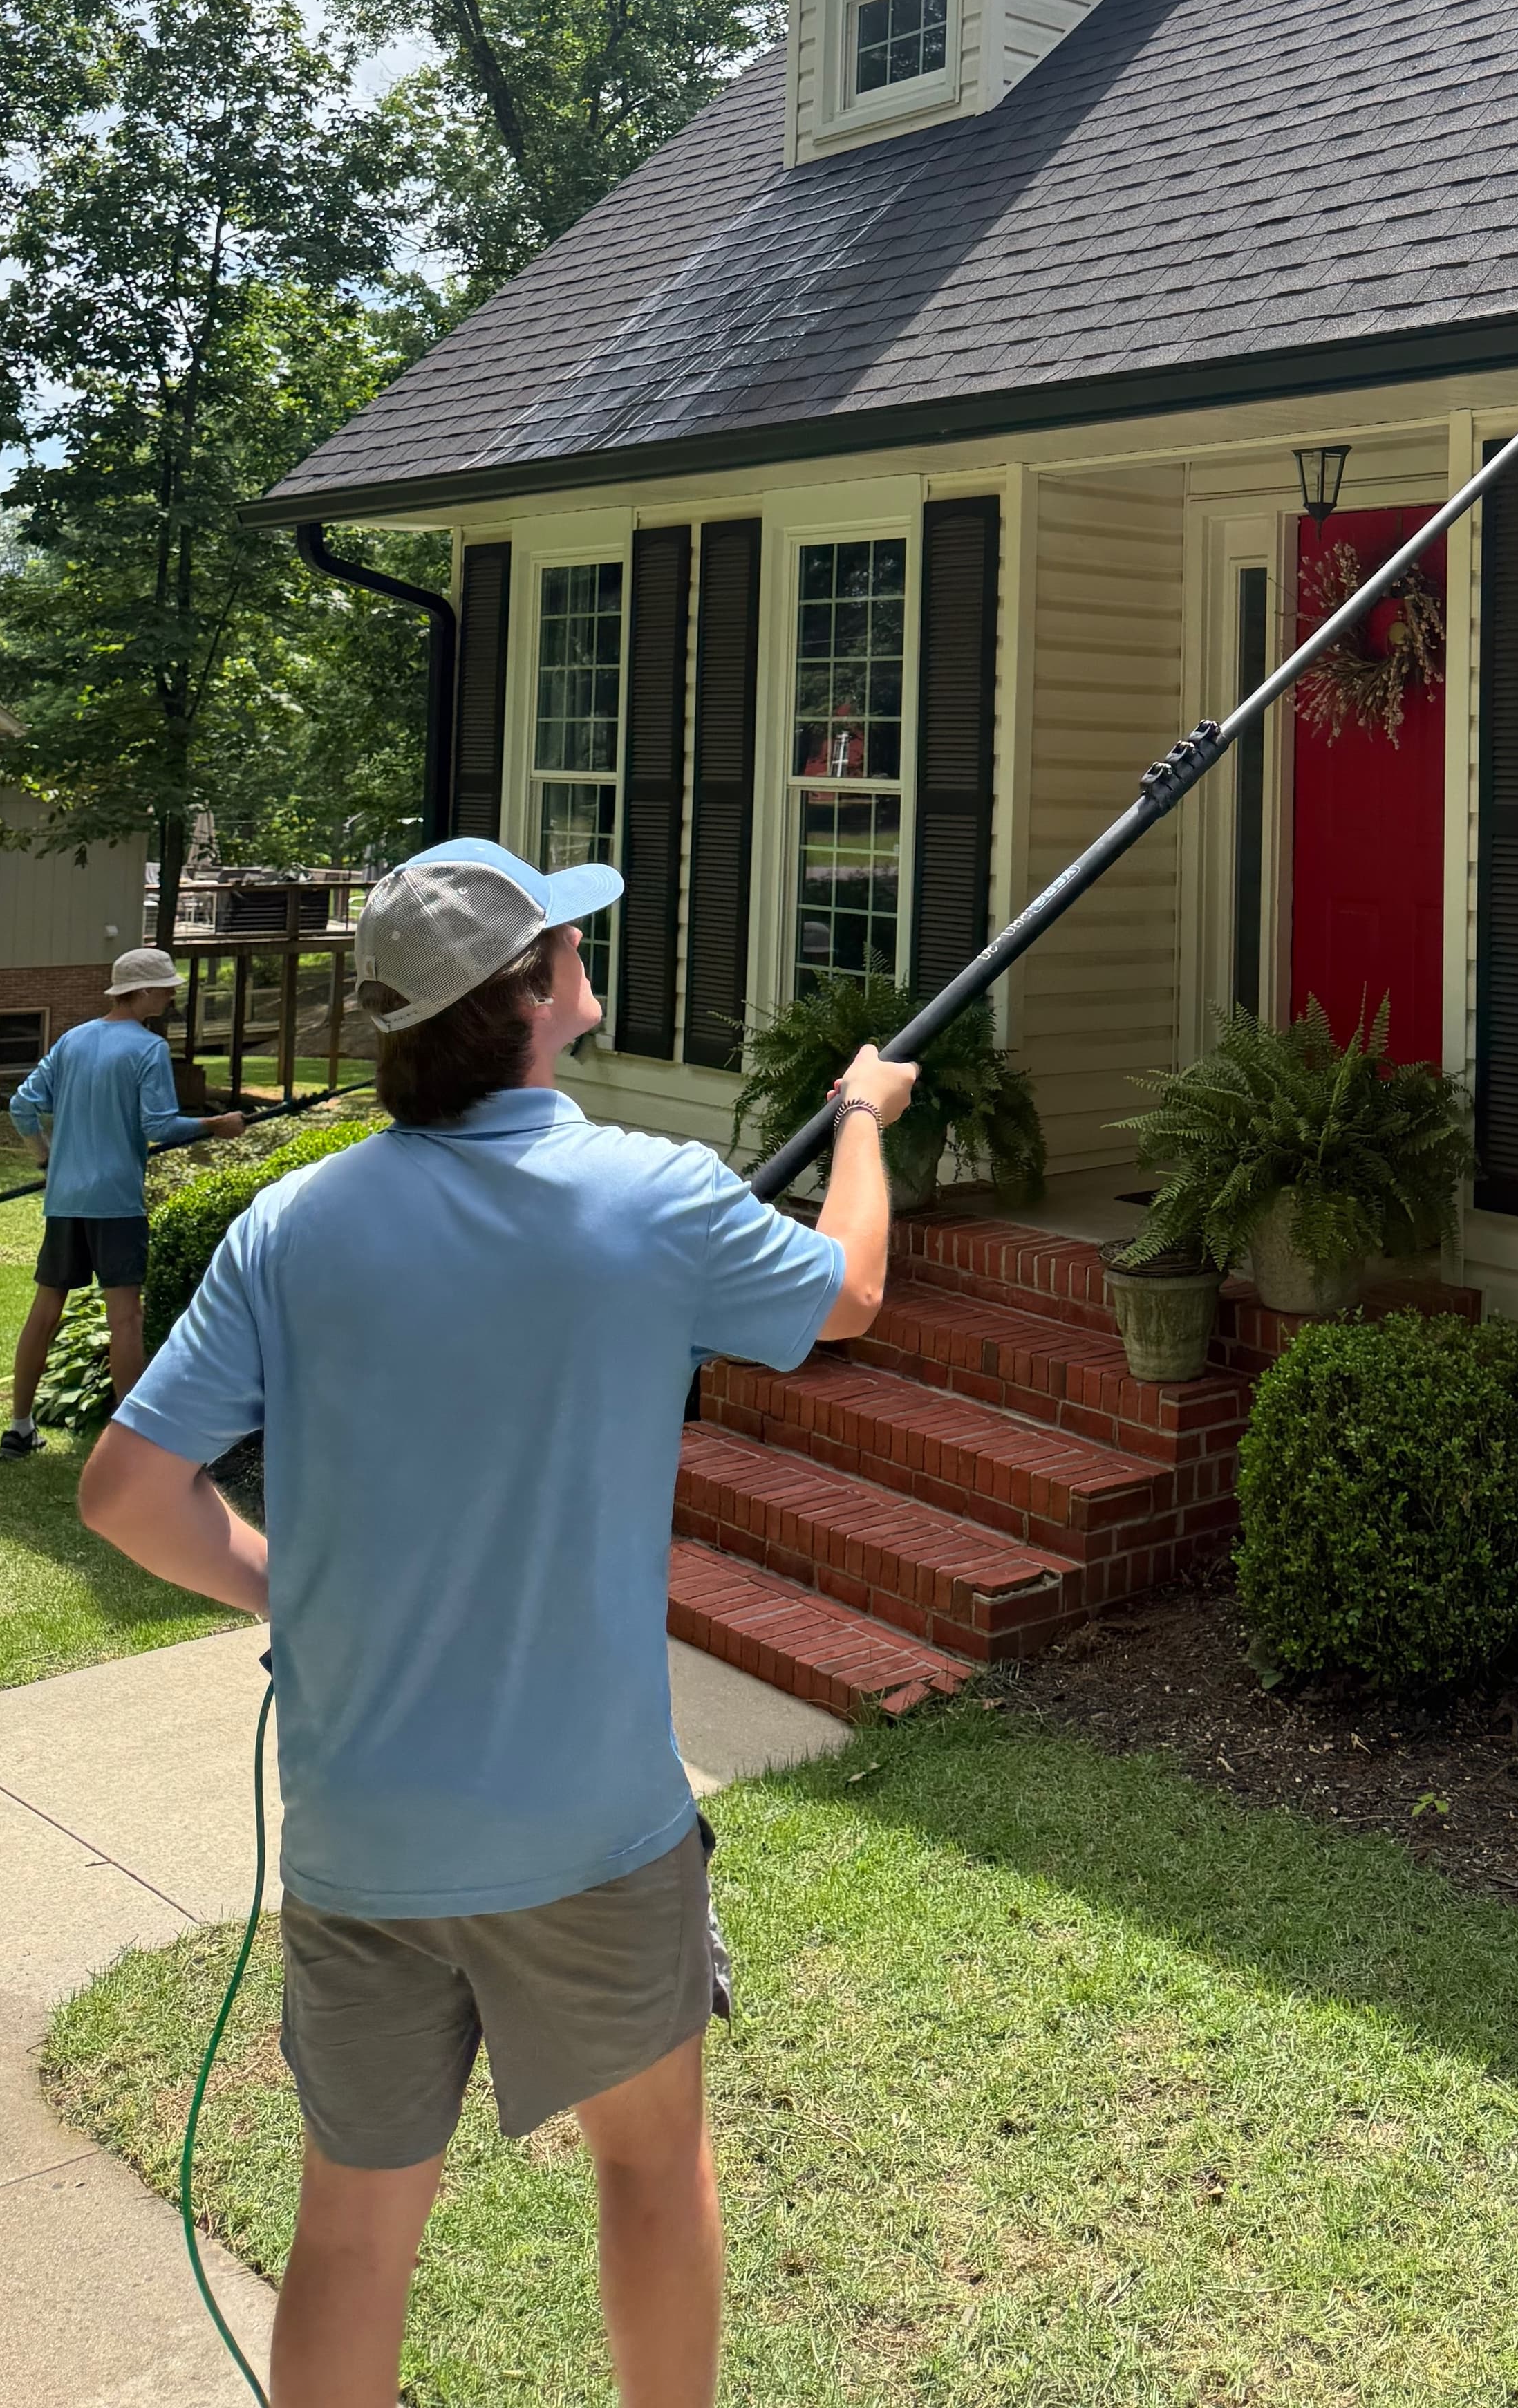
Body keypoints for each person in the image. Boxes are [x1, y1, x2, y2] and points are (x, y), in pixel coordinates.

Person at [78, 835, 914, 2408]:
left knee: (351, 2238)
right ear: (534, 996)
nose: (582, 959)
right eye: (563, 944)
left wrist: (280, 1584)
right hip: (592, 1834)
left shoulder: (292, 1227)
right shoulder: (648, 1192)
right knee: (651, 2174)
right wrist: (861, 1122)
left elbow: (129, 1491)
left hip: (360, 1841)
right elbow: (848, 1290)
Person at [0, 944, 249, 1457]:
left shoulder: (72, 1040)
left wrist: (45, 1160)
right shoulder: (147, 1048)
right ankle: (129, 1446)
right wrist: (215, 1126)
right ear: (145, 992)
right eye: (166, 989)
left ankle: (19, 1428)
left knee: (46, 1310)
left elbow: (22, 1105)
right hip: (116, 1203)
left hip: (65, 1201)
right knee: (125, 1319)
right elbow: (157, 1127)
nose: (171, 996)